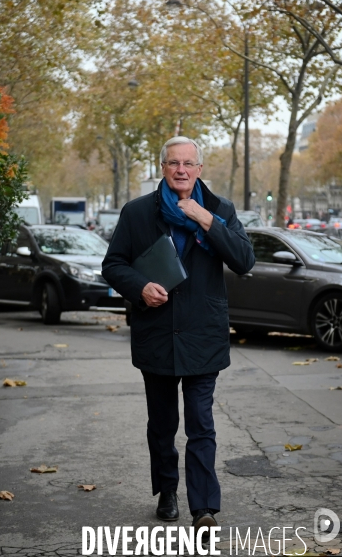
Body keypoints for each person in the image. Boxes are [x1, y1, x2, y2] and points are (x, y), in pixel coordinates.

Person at [102, 136, 255, 536]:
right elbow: (113, 264)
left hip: (204, 334)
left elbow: (244, 259)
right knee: (163, 424)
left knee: (201, 423)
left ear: (200, 169)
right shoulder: (137, 213)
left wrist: (205, 219)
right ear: (164, 168)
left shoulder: (220, 209)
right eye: (174, 163)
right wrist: (140, 287)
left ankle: (203, 506)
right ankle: (167, 491)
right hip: (157, 333)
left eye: (189, 163)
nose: (181, 170)